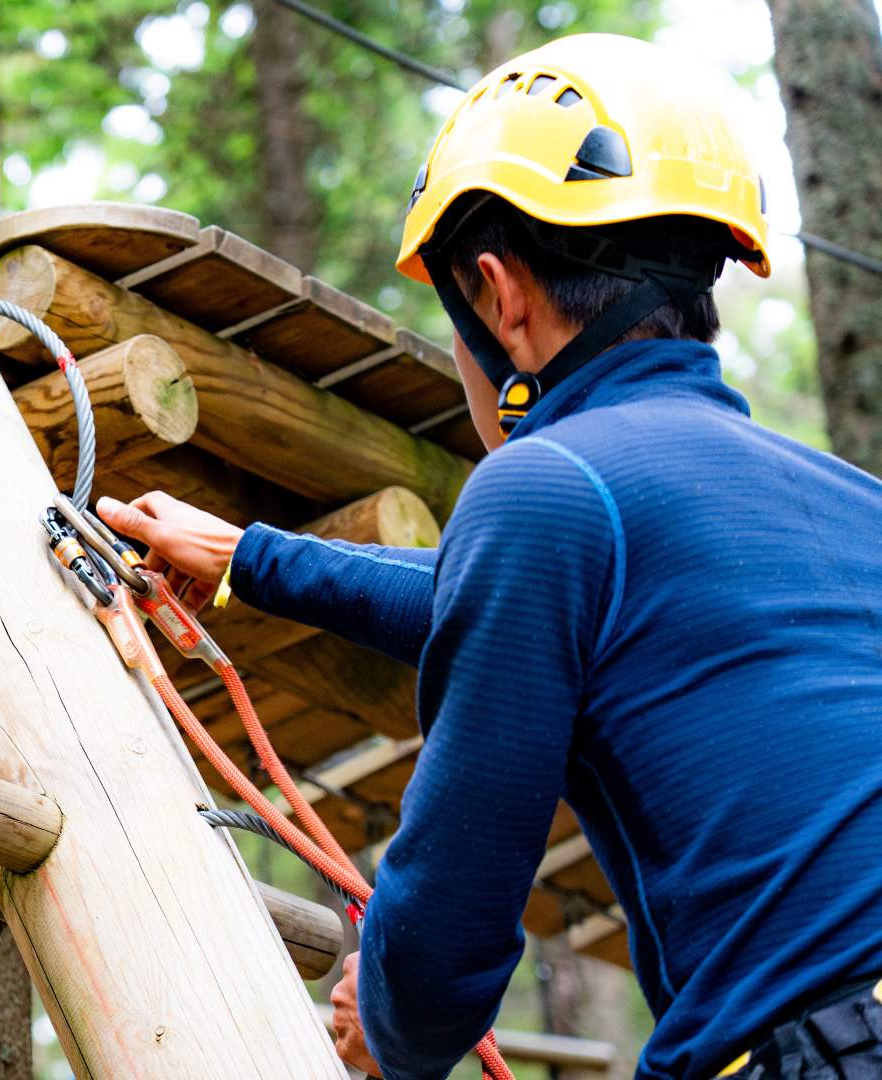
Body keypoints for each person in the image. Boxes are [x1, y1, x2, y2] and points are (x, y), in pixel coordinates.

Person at [96, 33, 882, 1080]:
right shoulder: (849, 503)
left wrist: (390, 1017)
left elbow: (442, 953)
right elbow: (547, 605)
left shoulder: (546, 487)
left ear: (499, 296)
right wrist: (250, 559)